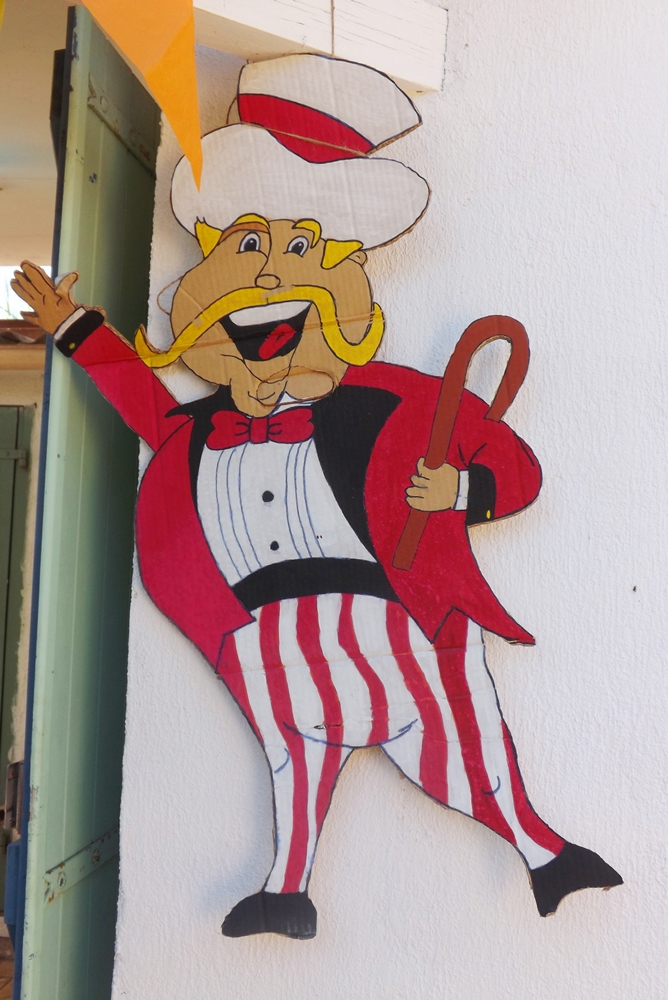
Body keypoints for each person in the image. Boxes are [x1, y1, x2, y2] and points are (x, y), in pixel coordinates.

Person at [13, 53, 622, 940]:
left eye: (294, 250)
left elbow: (516, 467)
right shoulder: (196, 431)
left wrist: (461, 491)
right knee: (292, 758)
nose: (265, 282)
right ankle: (287, 889)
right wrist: (75, 329)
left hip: (391, 620)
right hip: (262, 633)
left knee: (453, 751)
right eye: (243, 250)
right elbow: (141, 397)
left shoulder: (392, 404)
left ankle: (545, 853)